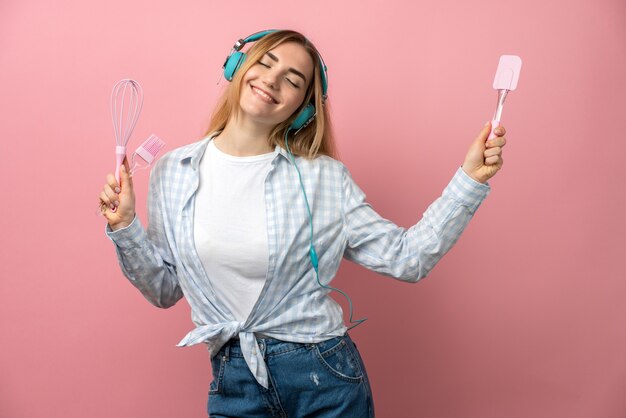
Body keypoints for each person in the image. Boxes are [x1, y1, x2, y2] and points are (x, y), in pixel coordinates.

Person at [99, 29, 507, 418]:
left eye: (292, 80)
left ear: (304, 107)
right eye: (265, 62)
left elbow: (408, 259)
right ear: (236, 66)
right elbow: (164, 290)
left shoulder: (323, 178)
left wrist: (469, 180)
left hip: (324, 380)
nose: (272, 80)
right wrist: (126, 227)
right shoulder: (174, 170)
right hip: (232, 381)